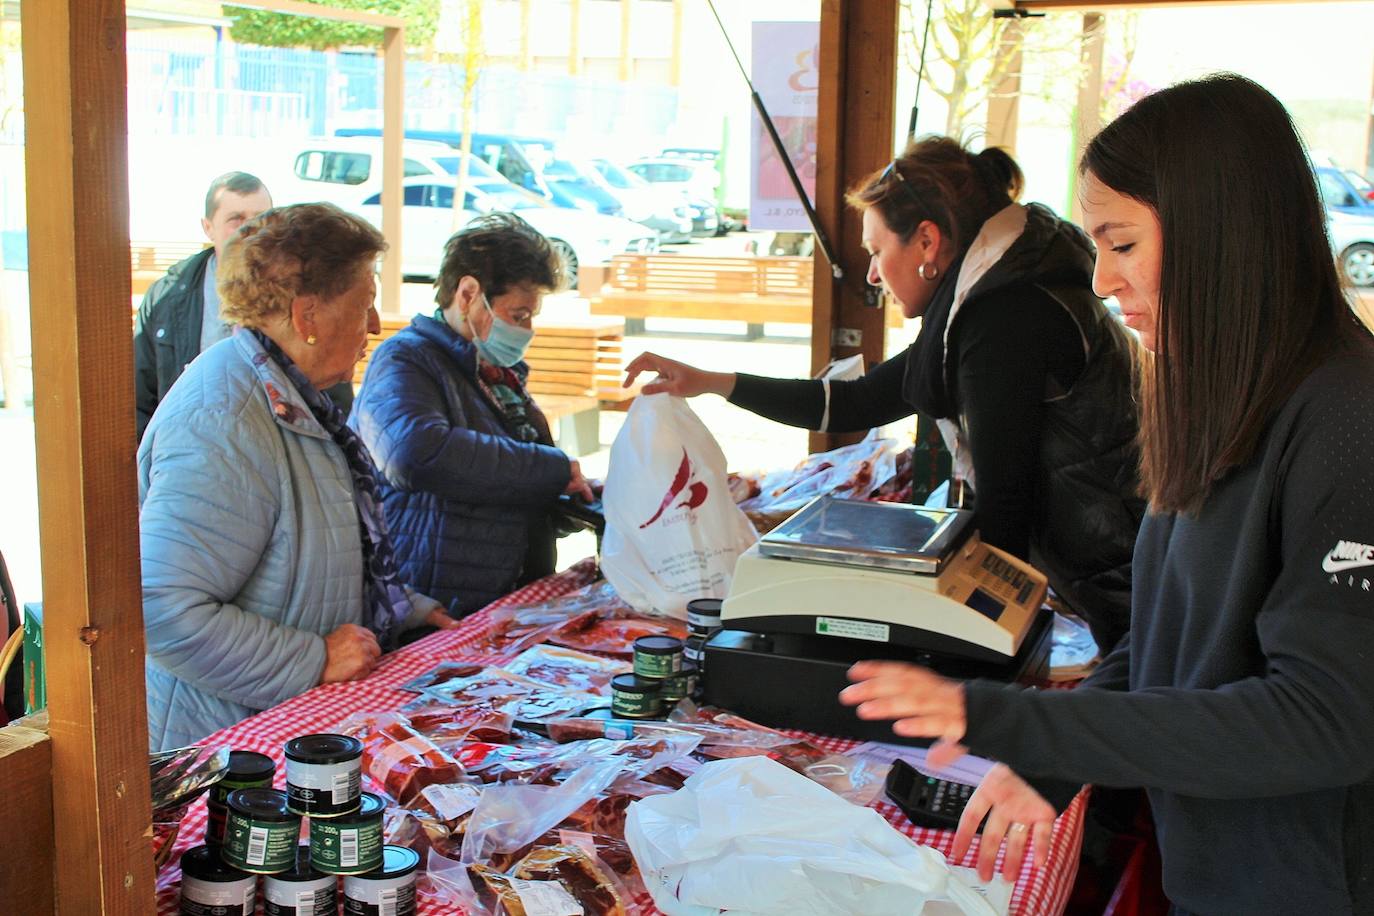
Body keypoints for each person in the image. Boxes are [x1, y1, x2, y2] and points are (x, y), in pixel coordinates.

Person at [841, 74, 1374, 914]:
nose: (1100, 281)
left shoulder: (1349, 418)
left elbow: (1325, 717)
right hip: (1215, 872)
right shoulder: (1214, 396)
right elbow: (1165, 641)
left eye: (1121, 244)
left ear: (1220, 237)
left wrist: (1010, 721)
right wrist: (1054, 764)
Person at [625, 136, 1144, 653]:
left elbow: (1005, 503)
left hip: (1124, 577)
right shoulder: (985, 298)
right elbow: (856, 402)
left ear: (926, 242)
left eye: (876, 250)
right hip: (1115, 564)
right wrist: (711, 382)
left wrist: (969, 659)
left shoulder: (1000, 318)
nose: (872, 274)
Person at [138, 203, 456, 751]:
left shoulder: (288, 393)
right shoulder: (225, 420)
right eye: (364, 306)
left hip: (276, 727)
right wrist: (314, 659)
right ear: (308, 317)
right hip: (227, 750)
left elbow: (308, 551)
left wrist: (402, 606)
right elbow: (162, 611)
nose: (374, 326)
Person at [350, 212, 594, 617]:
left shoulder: (501, 376)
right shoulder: (405, 360)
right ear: (467, 294)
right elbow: (416, 454)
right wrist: (550, 468)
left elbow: (509, 481)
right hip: (437, 607)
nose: (527, 329)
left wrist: (567, 498)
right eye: (518, 315)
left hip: (507, 602)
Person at [132, 172, 353, 443]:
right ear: (208, 227)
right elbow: (139, 400)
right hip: (192, 455)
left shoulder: (308, 293)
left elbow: (335, 401)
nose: (250, 230)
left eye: (261, 218)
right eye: (236, 219)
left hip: (278, 461)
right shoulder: (166, 297)